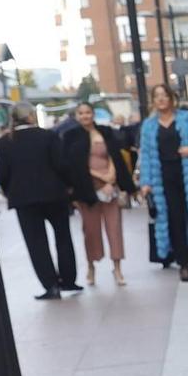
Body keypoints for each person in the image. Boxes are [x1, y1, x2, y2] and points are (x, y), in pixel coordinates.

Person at [0, 103, 84, 300]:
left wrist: (11, 191)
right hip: (54, 194)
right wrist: (68, 186)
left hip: (24, 199)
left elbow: (2, 174)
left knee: (36, 243)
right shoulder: (48, 136)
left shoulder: (5, 142)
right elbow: (61, 164)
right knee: (63, 236)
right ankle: (68, 279)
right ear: (31, 116)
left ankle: (50, 285)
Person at [138, 84, 188, 282]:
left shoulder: (186, 119)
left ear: (171, 98)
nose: (161, 99)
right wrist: (146, 182)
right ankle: (183, 263)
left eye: (164, 95)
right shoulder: (149, 126)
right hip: (163, 179)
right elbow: (146, 156)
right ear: (153, 100)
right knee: (174, 220)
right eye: (157, 96)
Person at [59, 102, 135, 287]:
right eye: (81, 113)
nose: (85, 116)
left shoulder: (106, 132)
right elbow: (71, 165)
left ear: (93, 114)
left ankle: (117, 268)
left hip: (111, 187)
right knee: (91, 231)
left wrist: (113, 179)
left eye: (88, 112)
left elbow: (116, 156)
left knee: (114, 229)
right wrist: (93, 180)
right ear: (77, 116)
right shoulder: (70, 136)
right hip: (87, 190)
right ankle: (91, 267)